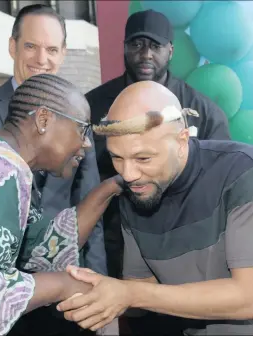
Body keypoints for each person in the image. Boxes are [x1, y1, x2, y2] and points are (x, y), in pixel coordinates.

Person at [57, 81, 253, 336]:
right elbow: (141, 292)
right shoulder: (138, 191)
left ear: (182, 140)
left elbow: (248, 296)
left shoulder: (241, 173)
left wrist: (130, 294)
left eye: (143, 158)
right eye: (117, 157)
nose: (128, 174)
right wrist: (98, 293)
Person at [0, 74, 123, 336]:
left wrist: (114, 186)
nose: (86, 143)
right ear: (43, 120)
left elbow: (45, 244)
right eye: (82, 129)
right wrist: (61, 285)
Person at [0, 3, 106, 277]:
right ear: (13, 47)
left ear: (63, 54)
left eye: (51, 50)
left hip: (60, 280)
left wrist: (94, 282)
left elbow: (88, 211)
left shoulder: (79, 121)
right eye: (31, 46)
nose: (41, 59)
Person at [85, 9, 231, 280]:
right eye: (136, 44)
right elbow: (81, 176)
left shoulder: (202, 110)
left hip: (186, 239)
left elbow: (219, 181)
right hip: (115, 238)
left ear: (171, 51)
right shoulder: (93, 106)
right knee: (131, 313)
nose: (145, 54)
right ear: (124, 48)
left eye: (155, 46)